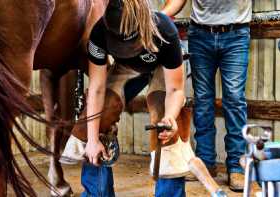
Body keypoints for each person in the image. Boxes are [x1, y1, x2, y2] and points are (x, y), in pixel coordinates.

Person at [61, 0, 188, 196]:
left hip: (162, 67)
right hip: (127, 67)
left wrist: (171, 117)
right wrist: (93, 140)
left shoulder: (164, 30)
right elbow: (96, 89)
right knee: (97, 117)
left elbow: (176, 90)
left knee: (163, 124)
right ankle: (98, 193)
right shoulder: (99, 33)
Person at [161, 0, 252, 191]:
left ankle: (237, 167)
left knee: (235, 99)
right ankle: (206, 164)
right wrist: (157, 19)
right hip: (200, 34)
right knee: (202, 101)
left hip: (236, 33)